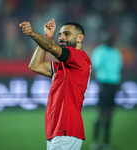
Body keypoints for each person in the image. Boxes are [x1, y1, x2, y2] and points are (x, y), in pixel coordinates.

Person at [20, 19, 92, 150]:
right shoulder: (62, 67)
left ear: (80, 38)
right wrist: (47, 36)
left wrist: (32, 33)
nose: (61, 37)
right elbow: (35, 65)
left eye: (67, 34)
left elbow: (52, 47)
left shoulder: (80, 57)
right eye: (59, 34)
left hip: (66, 129)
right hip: (56, 130)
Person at [90, 32, 123, 150]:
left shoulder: (116, 52)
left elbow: (118, 69)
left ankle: (106, 142)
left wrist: (119, 83)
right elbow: (95, 68)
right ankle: (95, 142)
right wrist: (99, 86)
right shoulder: (100, 51)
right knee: (101, 113)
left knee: (110, 114)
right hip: (104, 84)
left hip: (113, 85)